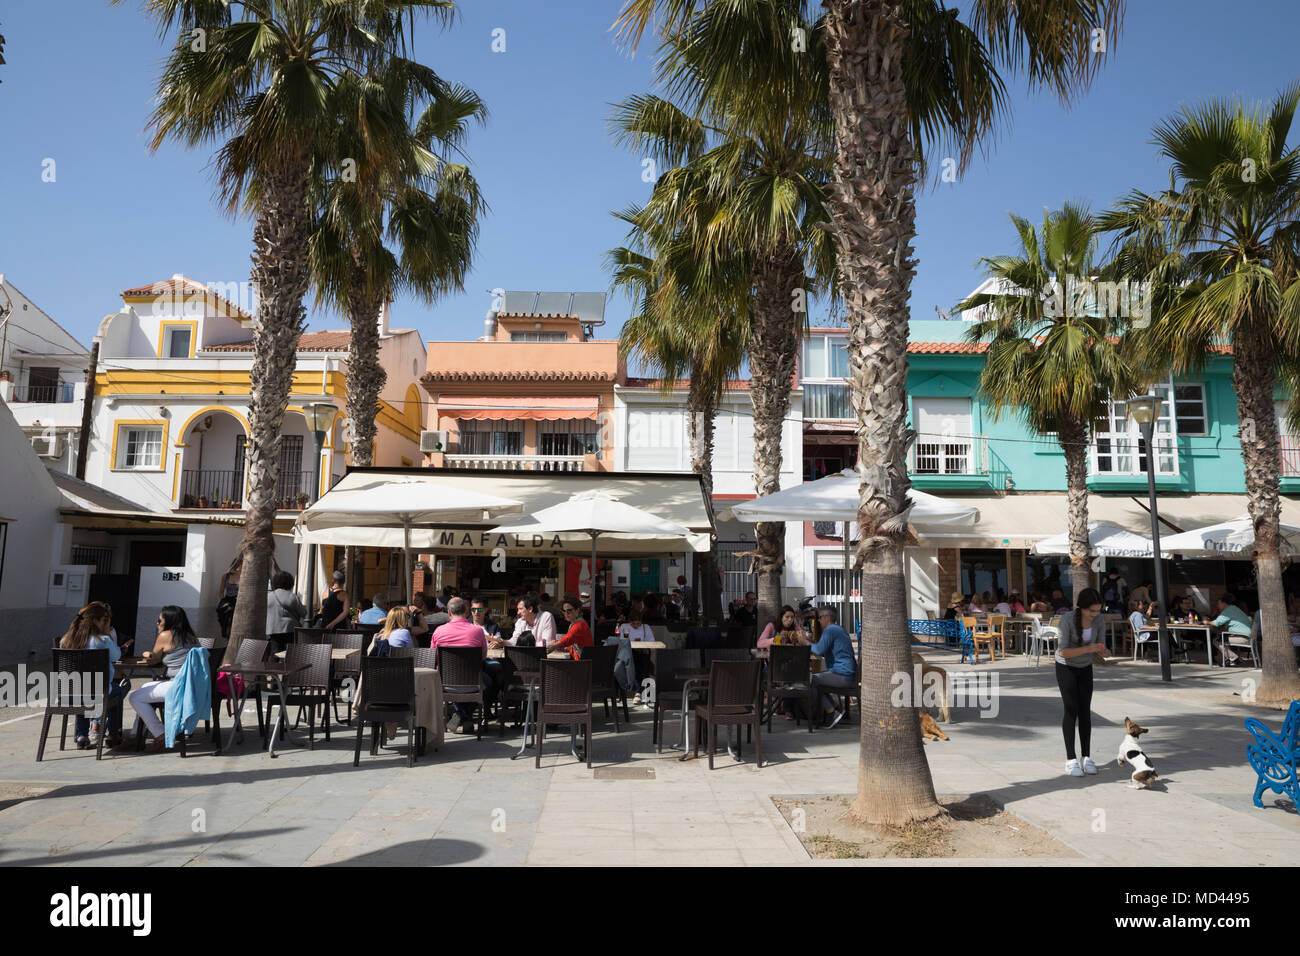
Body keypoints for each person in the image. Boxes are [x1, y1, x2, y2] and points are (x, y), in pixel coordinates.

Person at [126, 606, 200, 752]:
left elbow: (154, 659)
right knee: (145, 686)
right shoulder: (191, 636)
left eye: (159, 620)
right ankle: (135, 735)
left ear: (169, 621)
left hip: (177, 685)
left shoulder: (166, 635)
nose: (157, 623)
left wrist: (146, 654)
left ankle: (161, 734)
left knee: (134, 697)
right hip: (192, 685)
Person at [1054, 587, 1109, 776]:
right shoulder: (1067, 619)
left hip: (1085, 667)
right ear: (1082, 608)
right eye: (1091, 611)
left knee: (1085, 710)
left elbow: (1102, 644)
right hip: (1066, 666)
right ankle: (1071, 759)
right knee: (1071, 709)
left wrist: (1103, 651)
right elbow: (1063, 651)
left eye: (1098, 610)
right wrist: (1088, 649)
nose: (1095, 615)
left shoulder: (1099, 620)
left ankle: (1086, 756)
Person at [59, 602, 125, 749]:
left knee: (80, 688)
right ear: (95, 621)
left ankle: (82, 735)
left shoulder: (65, 640)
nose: (106, 623)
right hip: (96, 693)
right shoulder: (102, 641)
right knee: (117, 690)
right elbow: (116, 656)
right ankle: (112, 734)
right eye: (104, 620)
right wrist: (107, 633)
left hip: (67, 694)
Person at [431, 597, 499, 733]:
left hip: (445, 683)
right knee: (489, 683)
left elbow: (434, 657)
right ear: (467, 611)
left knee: (482, 679)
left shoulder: (439, 631)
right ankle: (465, 715)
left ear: (449, 613)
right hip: (473, 683)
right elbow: (483, 657)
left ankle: (460, 714)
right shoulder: (477, 631)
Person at [797, 607, 856, 729]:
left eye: (819, 618)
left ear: (827, 617)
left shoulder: (830, 630)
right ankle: (835, 708)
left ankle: (831, 711)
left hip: (842, 674)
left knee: (810, 680)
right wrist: (809, 641)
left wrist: (805, 643)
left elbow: (818, 650)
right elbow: (823, 650)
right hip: (846, 673)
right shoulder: (838, 629)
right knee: (815, 680)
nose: (818, 621)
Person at [266, 571, 306, 655]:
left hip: (273, 630)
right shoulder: (292, 596)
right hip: (290, 629)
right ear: (290, 582)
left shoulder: (268, 596)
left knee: (274, 653)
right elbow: (303, 612)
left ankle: (272, 668)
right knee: (290, 654)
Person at [1211, 592, 1253, 665]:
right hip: (1248, 636)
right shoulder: (1234, 608)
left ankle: (1234, 659)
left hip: (1244, 638)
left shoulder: (1227, 611)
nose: (1217, 606)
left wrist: (1205, 621)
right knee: (1222, 638)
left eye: (1218, 604)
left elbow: (1216, 623)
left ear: (1224, 603)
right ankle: (1231, 659)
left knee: (1217, 640)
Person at [552, 595, 595, 660]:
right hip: (583, 663)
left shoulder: (579, 624)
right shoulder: (576, 623)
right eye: (564, 611)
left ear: (577, 610)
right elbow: (570, 641)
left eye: (569, 611)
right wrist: (557, 644)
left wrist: (553, 646)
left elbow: (569, 638)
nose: (566, 614)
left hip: (583, 665)